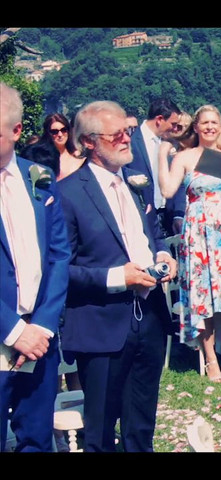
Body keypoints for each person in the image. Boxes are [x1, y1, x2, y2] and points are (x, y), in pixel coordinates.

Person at [57, 100, 177, 452]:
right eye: (118, 135)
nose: (127, 139)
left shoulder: (134, 184)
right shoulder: (68, 194)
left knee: (141, 426)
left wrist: (163, 254)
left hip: (150, 317)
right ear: (89, 142)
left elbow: (151, 232)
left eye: (127, 131)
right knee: (101, 431)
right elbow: (59, 270)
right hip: (101, 325)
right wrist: (117, 278)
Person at [0, 82, 71, 453]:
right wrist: (13, 331)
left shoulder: (39, 178)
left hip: (41, 339)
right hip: (3, 332)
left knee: (37, 440)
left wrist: (42, 325)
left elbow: (60, 255)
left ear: (15, 131)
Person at [158, 105, 221, 382]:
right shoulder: (185, 157)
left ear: (220, 126)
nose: (210, 127)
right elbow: (167, 190)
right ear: (196, 127)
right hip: (198, 231)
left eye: (214, 122)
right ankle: (211, 361)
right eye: (205, 123)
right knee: (203, 298)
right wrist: (163, 155)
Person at [129, 98, 183, 235]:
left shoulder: (171, 143)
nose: (175, 129)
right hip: (144, 218)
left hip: (170, 217)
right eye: (173, 124)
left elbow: (180, 181)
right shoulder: (131, 143)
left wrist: (179, 214)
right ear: (159, 119)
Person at [41, 113, 84, 180]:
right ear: (48, 134)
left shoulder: (80, 156)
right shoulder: (42, 159)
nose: (60, 134)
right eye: (54, 131)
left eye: (63, 130)